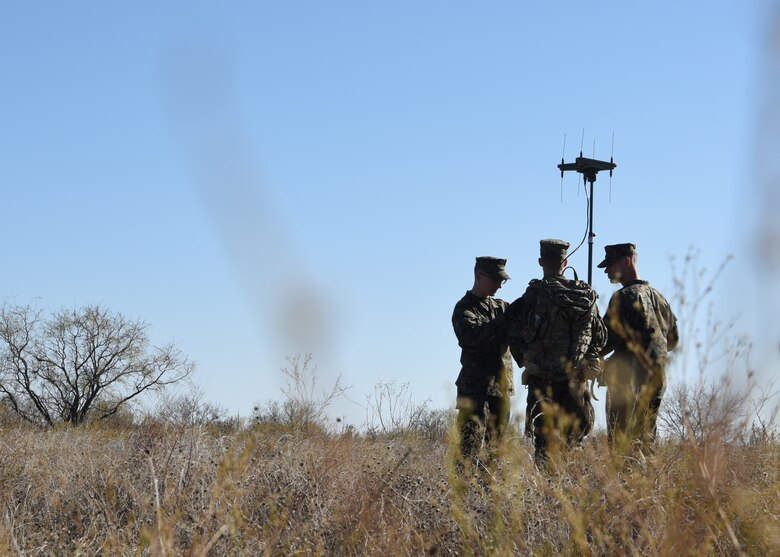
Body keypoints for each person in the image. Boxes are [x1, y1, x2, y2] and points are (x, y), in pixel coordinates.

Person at [508, 239, 606, 465]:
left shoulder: (535, 294)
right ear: (566, 263)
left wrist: (525, 360)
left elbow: (513, 330)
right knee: (575, 443)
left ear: (541, 261)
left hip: (543, 380)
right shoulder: (585, 295)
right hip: (576, 381)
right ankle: (573, 484)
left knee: (544, 444)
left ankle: (547, 486)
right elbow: (600, 337)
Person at [598, 243, 679, 453]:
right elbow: (673, 341)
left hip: (627, 381)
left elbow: (604, 341)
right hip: (656, 381)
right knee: (645, 440)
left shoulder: (623, 297)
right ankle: (647, 475)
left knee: (622, 445)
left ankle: (628, 475)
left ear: (626, 262)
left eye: (610, 265)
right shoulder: (658, 297)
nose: (606, 271)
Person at [452, 256, 514, 462]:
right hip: (474, 389)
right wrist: (502, 321)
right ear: (479, 276)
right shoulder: (464, 308)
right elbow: (471, 337)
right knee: (469, 449)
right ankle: (466, 483)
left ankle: (490, 483)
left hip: (501, 388)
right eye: (495, 280)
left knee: (497, 450)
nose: (499, 285)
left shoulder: (502, 307)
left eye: (502, 281)